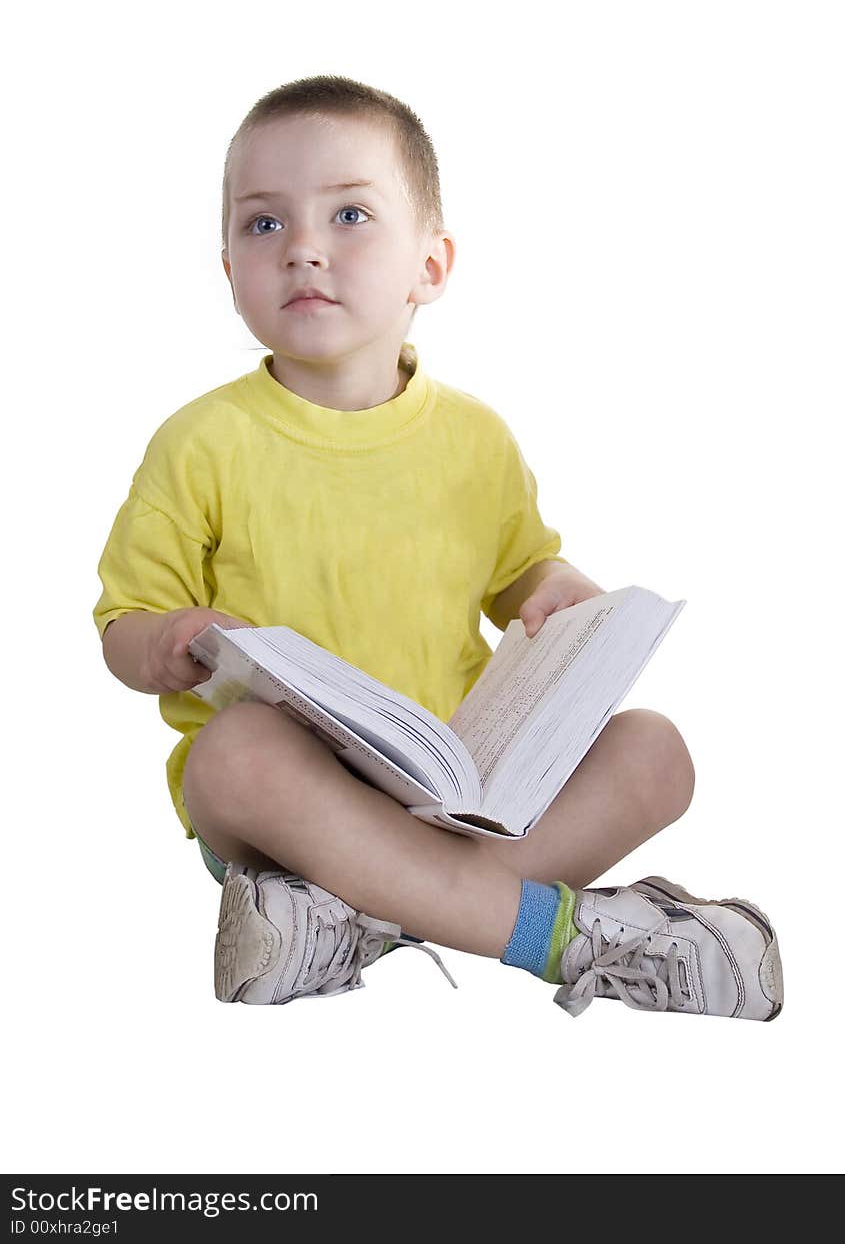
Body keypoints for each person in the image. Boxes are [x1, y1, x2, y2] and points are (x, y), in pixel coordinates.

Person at [94, 75, 783, 1021]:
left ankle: (344, 922)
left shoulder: (475, 440)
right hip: (289, 807)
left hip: (458, 792)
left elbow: (523, 574)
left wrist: (561, 596)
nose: (303, 249)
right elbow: (125, 625)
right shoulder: (201, 442)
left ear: (431, 265)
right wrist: (166, 639)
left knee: (658, 753)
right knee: (234, 755)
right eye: (263, 226)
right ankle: (562, 935)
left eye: (349, 215)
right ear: (226, 269)